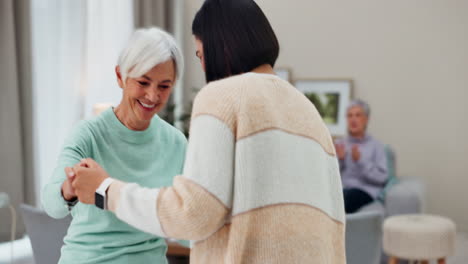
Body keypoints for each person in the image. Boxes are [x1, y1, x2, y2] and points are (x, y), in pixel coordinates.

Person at [69, 0, 346, 263]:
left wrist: (105, 189)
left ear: (219, 47)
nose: (203, 66)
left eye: (201, 54)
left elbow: (193, 214)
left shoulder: (222, 96)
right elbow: (334, 223)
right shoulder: (309, 112)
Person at [41, 27, 187, 264]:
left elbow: (188, 222)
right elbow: (51, 204)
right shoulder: (88, 134)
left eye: (164, 86)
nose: (152, 96)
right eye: (143, 82)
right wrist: (69, 188)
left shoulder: (176, 142)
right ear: (120, 76)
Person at [335, 99, 388, 213]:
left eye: (358, 115)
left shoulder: (376, 146)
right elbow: (330, 177)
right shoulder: (340, 144)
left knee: (343, 200)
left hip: (364, 191)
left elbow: (382, 179)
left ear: (366, 119)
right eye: (350, 116)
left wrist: (360, 161)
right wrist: (340, 160)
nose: (353, 119)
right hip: (343, 189)